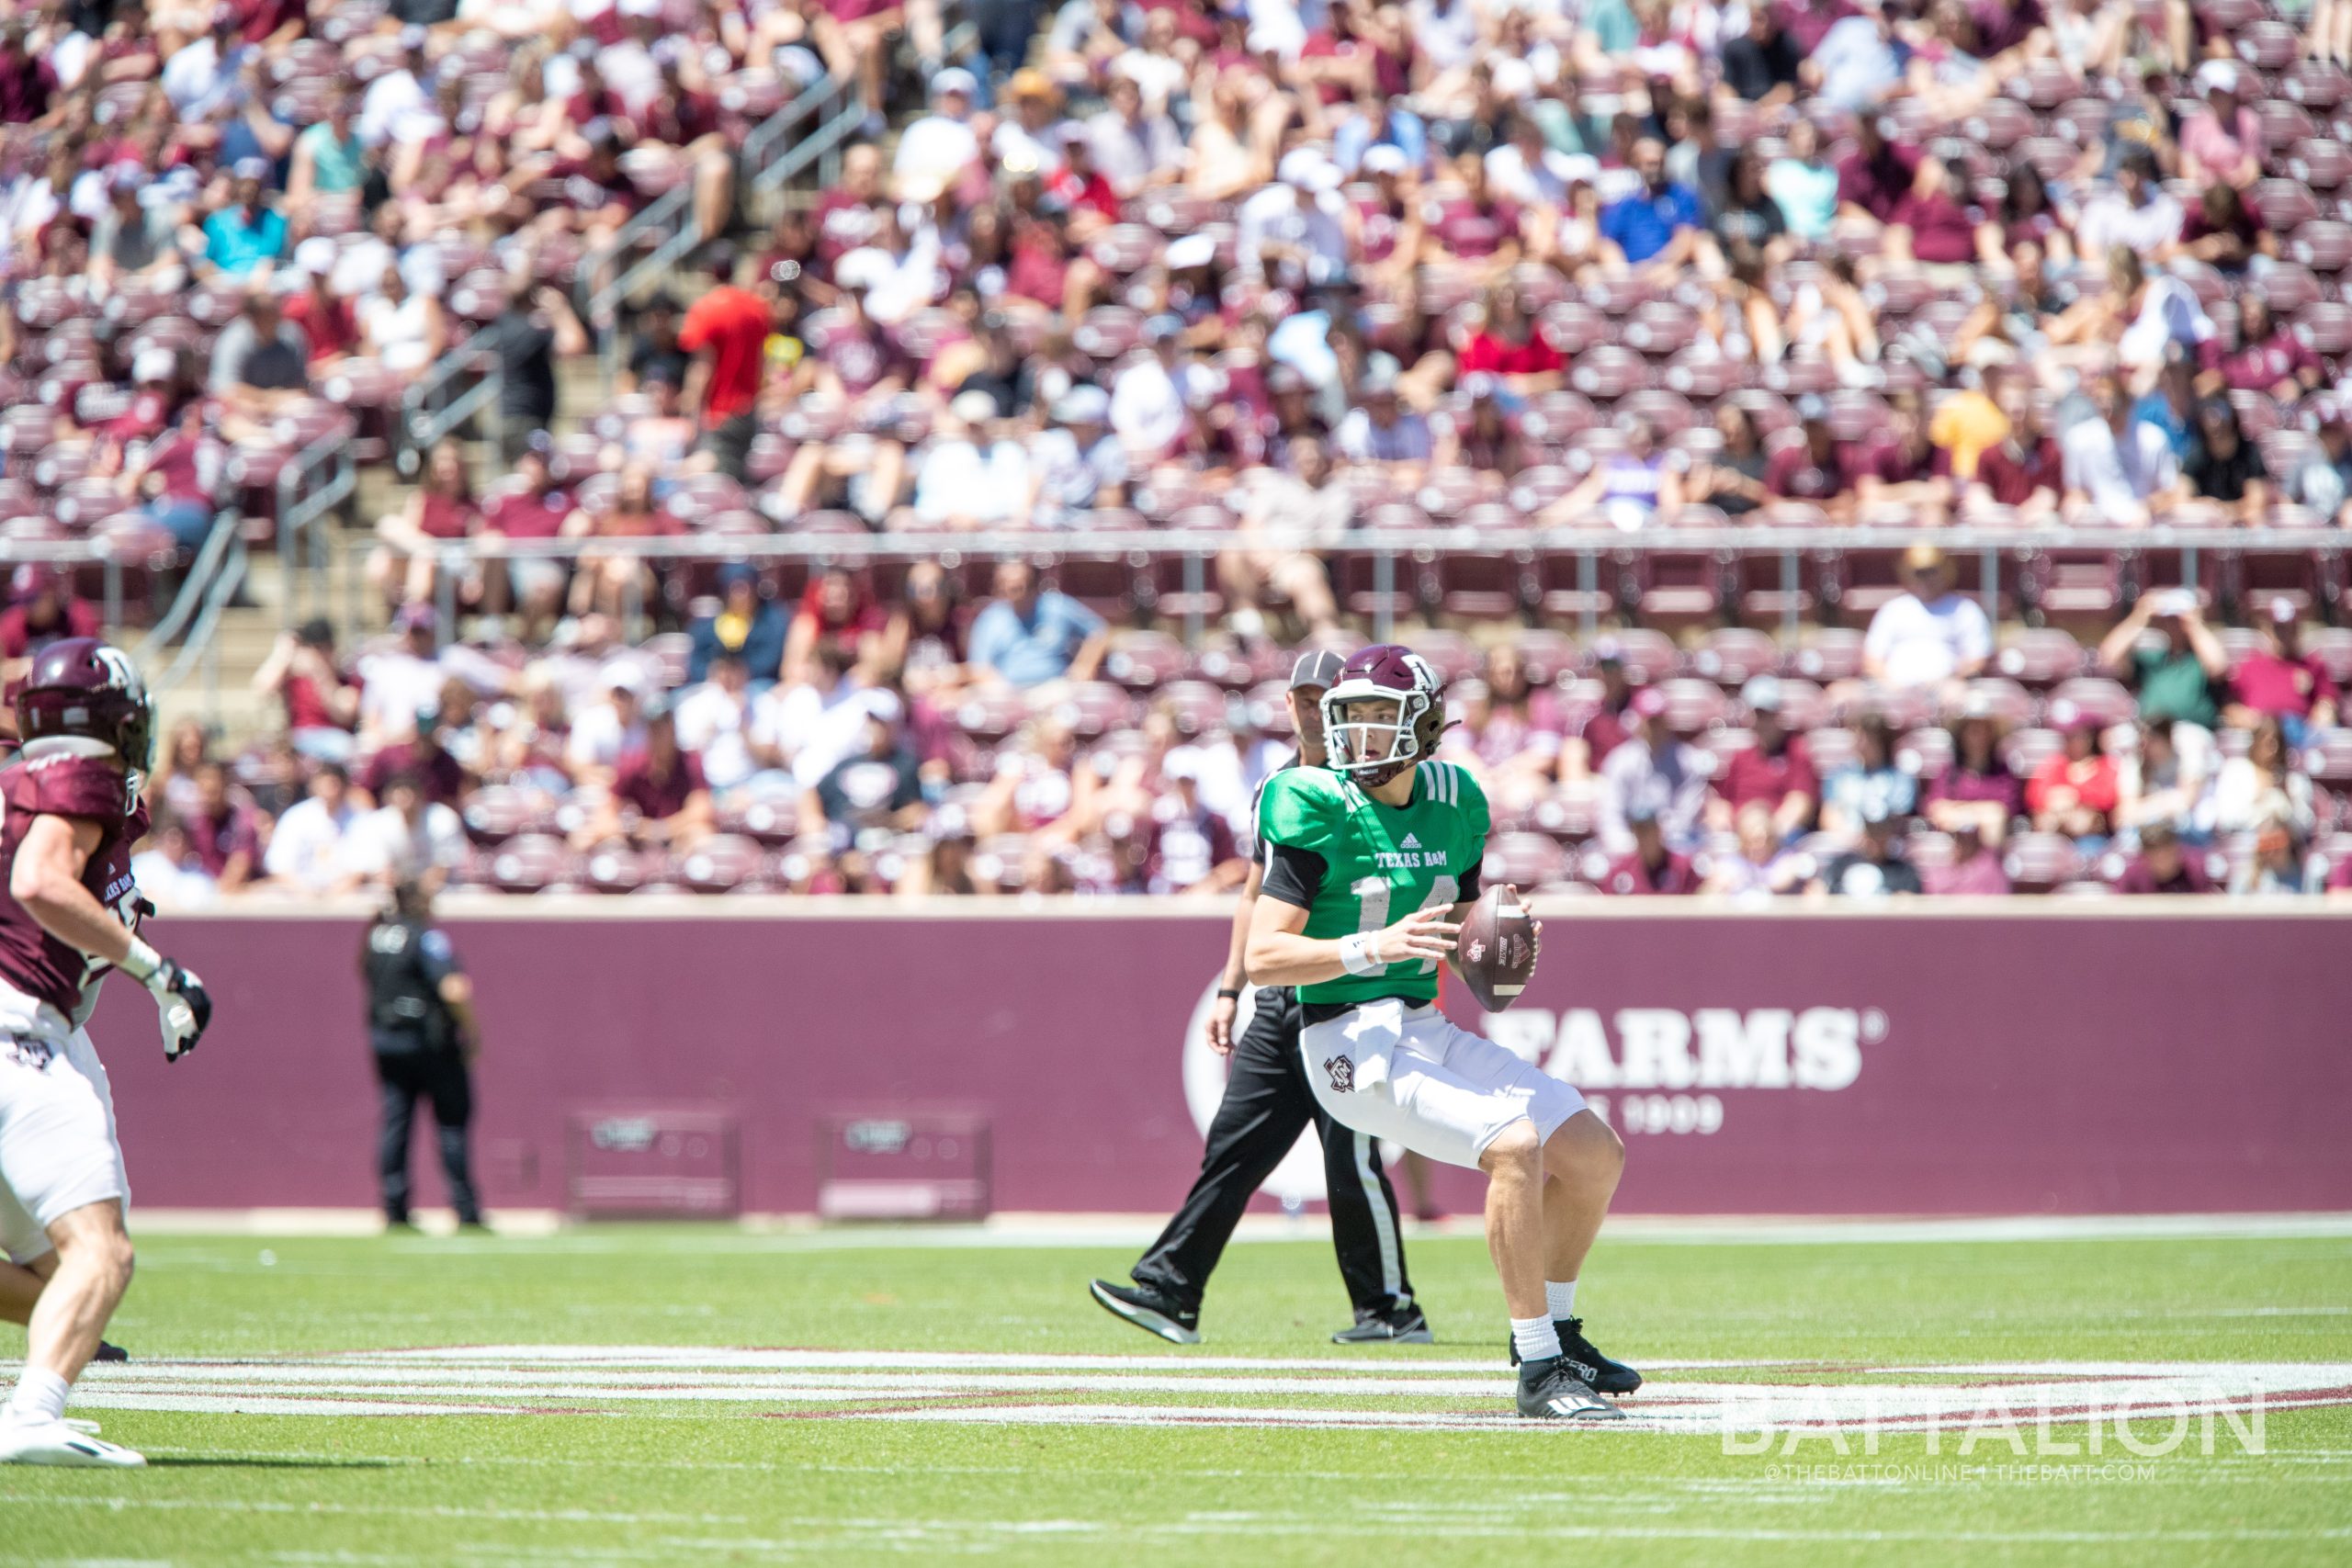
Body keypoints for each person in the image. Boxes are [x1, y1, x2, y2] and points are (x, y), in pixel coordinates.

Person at [1248, 644, 1638, 1421]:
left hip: (1420, 1025)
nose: (1358, 738)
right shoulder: (1309, 799)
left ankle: (1559, 1331)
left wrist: (1496, 936)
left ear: (1424, 726)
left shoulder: (1456, 796)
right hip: (1344, 1045)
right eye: (1348, 720)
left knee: (1594, 1153)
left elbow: (1455, 928)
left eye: (1376, 719)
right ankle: (1537, 1368)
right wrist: (1371, 945)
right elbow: (1264, 957)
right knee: (1515, 1146)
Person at [1091, 652, 1428, 1346]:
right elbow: (1255, 895)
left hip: (1346, 990)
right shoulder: (1280, 785)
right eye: (1301, 697)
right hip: (1281, 994)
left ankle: (1392, 1307)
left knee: (1352, 1154)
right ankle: (1172, 1289)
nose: (1310, 709)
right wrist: (1230, 985)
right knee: (1234, 1143)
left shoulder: (1366, 783)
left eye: (1321, 697)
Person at [0, 639, 211, 1467]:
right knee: (103, 1254)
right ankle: (33, 1415)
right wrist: (161, 973)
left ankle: (42, 1382)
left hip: (42, 1028)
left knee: (63, 1280)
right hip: (21, 1031)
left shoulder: (27, 788)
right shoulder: (77, 777)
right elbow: (41, 885)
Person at [360, 880, 482, 1232]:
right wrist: (472, 1031)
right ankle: (465, 1207)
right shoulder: (426, 937)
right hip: (430, 1043)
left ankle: (394, 1207)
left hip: (387, 1040)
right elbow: (454, 988)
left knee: (396, 1122)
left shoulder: (376, 936)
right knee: (451, 1122)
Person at [678, 247, 774, 482]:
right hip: (749, 410)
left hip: (720, 412)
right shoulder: (757, 307)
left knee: (720, 484)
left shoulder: (705, 308)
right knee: (737, 476)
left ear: (710, 272)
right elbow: (763, 360)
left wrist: (690, 411)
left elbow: (703, 367)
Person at [1861, 545, 1993, 691]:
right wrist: (1890, 685)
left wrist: (1956, 682)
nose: (1926, 579)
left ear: (1945, 571)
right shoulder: (1892, 610)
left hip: (1949, 692)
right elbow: (1873, 659)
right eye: (1919, 572)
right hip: (1895, 691)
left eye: (1931, 571)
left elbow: (1976, 660)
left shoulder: (1966, 610)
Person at [2098, 590, 2227, 730]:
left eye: (2177, 620)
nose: (2173, 625)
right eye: (2169, 619)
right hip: (2152, 732)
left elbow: (2218, 667)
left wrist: (2194, 625)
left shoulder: (2199, 660)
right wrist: (2139, 616)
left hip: (2191, 731)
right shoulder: (2153, 659)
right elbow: (2107, 657)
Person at [967, 560, 1107, 691]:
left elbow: (1099, 631)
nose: (1012, 587)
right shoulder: (990, 619)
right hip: (1007, 691)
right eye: (1006, 584)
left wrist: (1084, 666)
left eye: (1018, 585)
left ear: (1031, 581)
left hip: (1053, 689)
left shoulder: (1057, 606)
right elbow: (980, 667)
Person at [2113, 819, 2211, 894]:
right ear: (2144, 853)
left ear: (2176, 847)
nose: (2161, 855)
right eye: (2153, 849)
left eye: (2166, 848)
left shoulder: (2194, 870)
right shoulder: (2132, 875)